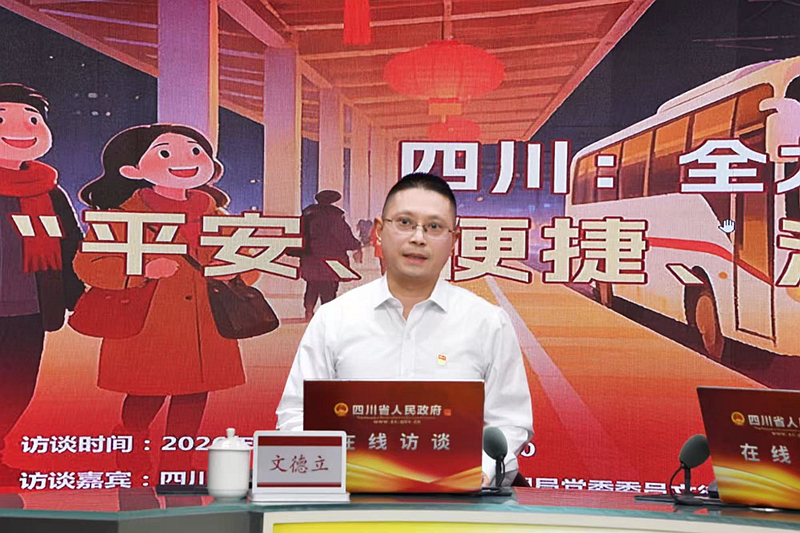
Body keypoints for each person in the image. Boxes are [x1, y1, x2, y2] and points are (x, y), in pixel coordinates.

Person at [276, 172, 533, 486]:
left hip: (459, 501)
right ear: (380, 231)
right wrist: (329, 469)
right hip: (353, 500)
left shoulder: (487, 322)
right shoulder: (334, 319)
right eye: (405, 223)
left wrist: (481, 471)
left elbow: (510, 421)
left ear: (454, 240)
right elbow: (296, 414)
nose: (418, 238)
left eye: (434, 227)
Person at [74, 123, 256, 475]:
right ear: (132, 169)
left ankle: (178, 464)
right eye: (166, 153)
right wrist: (141, 271)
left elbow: (248, 259)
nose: (184, 160)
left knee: (194, 393)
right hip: (149, 321)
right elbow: (89, 264)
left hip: (205, 321)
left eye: (195, 151)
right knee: (147, 393)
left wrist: (233, 270)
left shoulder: (215, 215)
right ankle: (130, 441)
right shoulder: (122, 216)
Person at [0, 84, 84, 484]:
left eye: (32, 119)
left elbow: (71, 247)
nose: (20, 129)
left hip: (29, 309)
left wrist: (78, 297)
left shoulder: (49, 191)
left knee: (16, 388)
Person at [292, 190, 361, 320]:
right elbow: (344, 235)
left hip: (310, 256)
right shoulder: (335, 216)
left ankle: (309, 310)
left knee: (312, 284)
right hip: (332, 257)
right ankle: (327, 314)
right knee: (329, 287)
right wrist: (356, 245)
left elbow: (299, 234)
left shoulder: (307, 215)